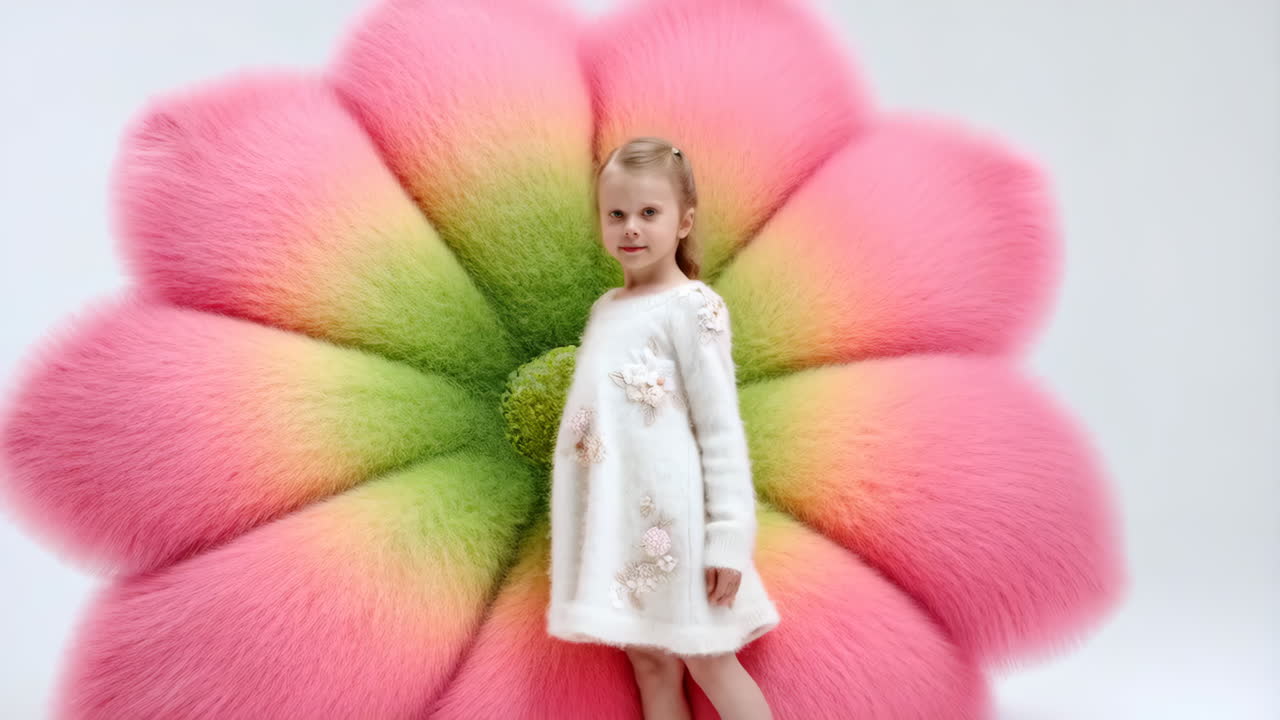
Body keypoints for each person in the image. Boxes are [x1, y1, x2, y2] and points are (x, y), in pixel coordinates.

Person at [546, 136, 780, 720]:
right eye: (616, 213)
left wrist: (728, 536)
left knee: (709, 660)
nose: (631, 227)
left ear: (683, 221)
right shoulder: (607, 308)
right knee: (650, 663)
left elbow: (721, 429)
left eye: (649, 213)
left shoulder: (692, 307)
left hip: (676, 524)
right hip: (621, 521)